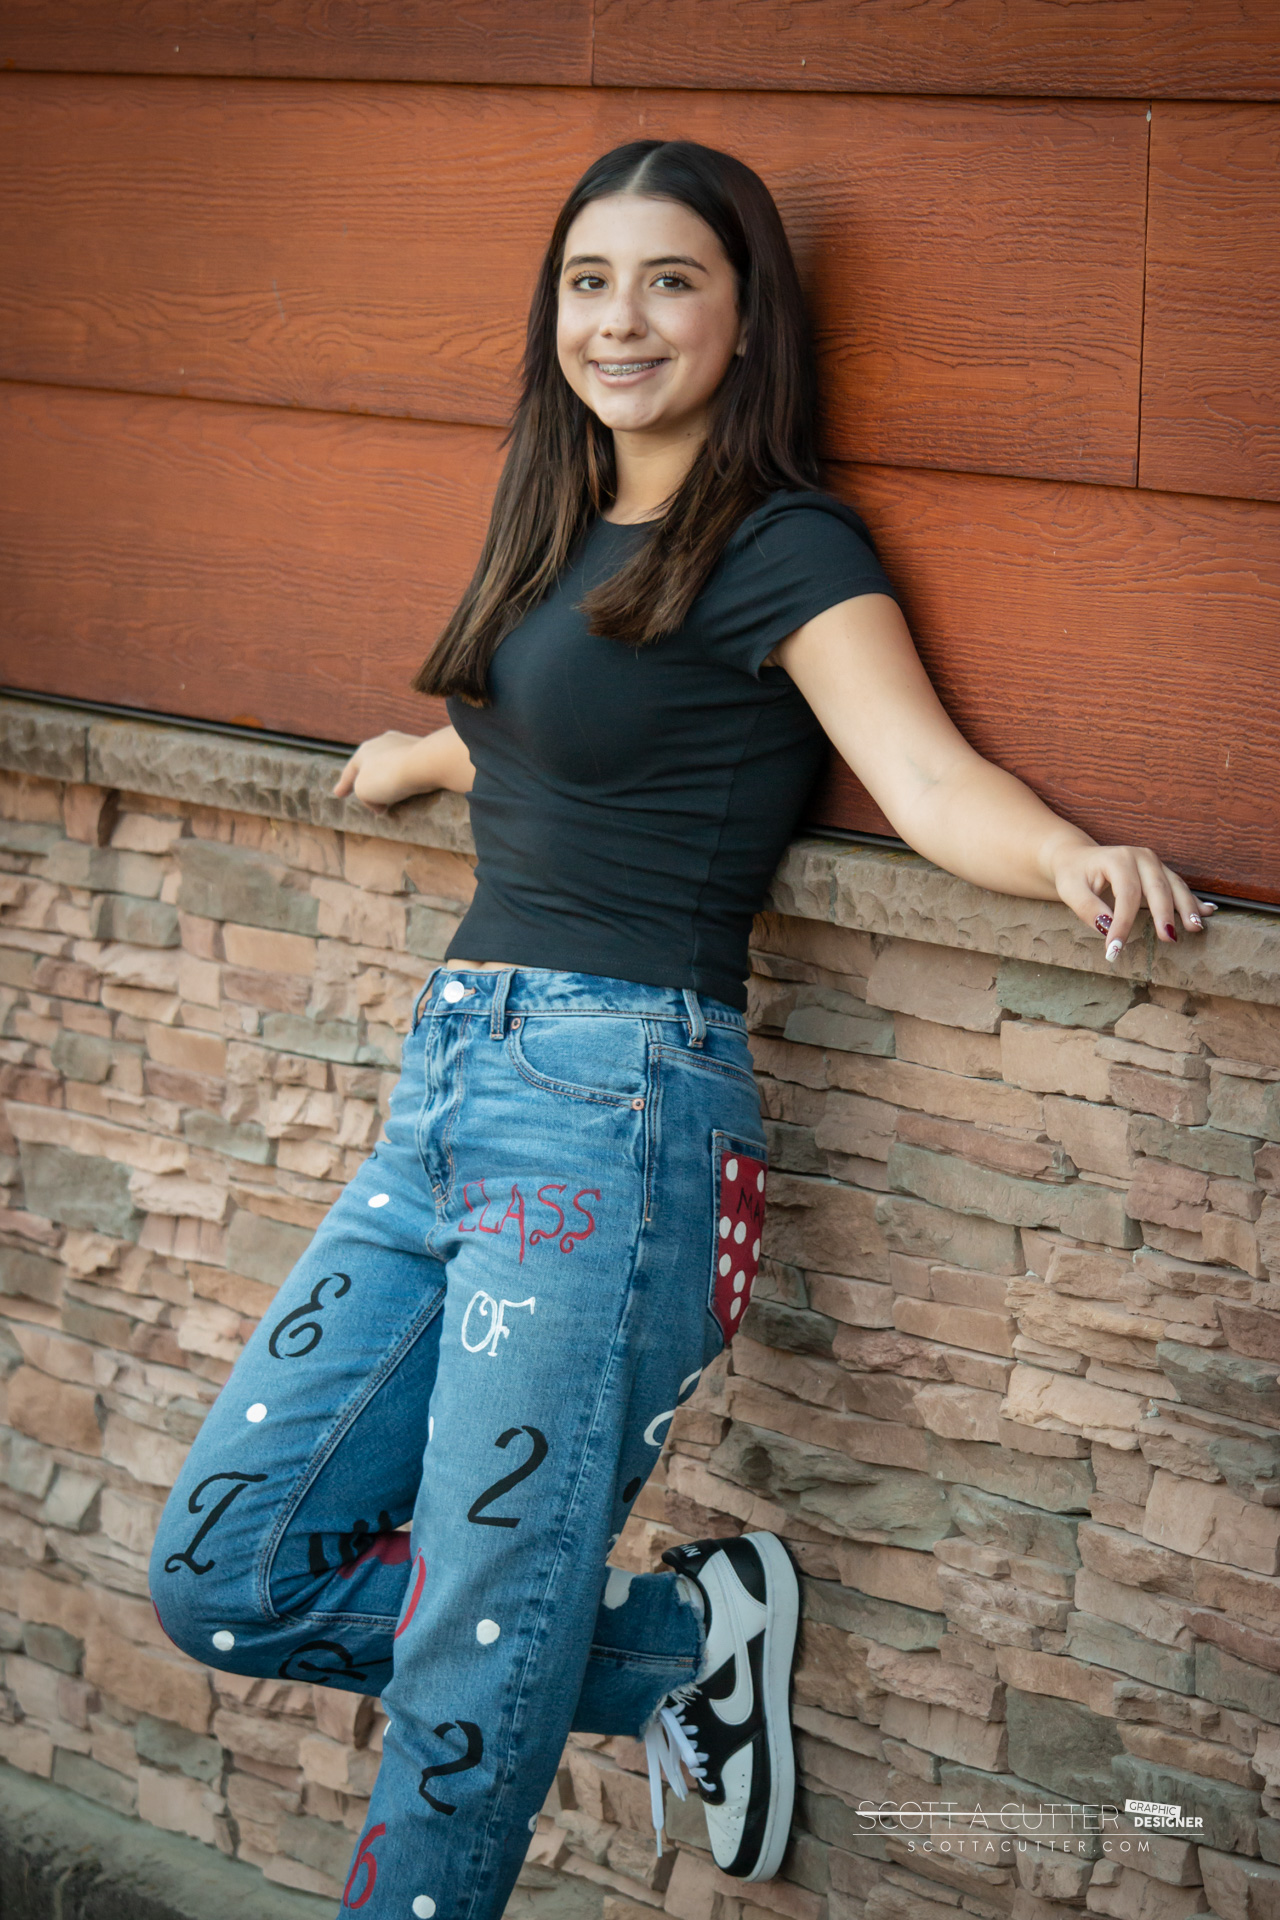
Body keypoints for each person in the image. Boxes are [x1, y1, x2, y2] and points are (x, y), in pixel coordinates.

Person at [149, 140, 1213, 1918]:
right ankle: (683, 1648)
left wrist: (1063, 856)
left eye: (669, 281)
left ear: (744, 317)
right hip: (452, 1090)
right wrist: (420, 755)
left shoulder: (785, 544)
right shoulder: (560, 513)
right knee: (228, 1572)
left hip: (612, 1113)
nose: (620, 320)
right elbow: (562, 723)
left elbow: (923, 776)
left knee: (471, 1659)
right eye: (589, 280)